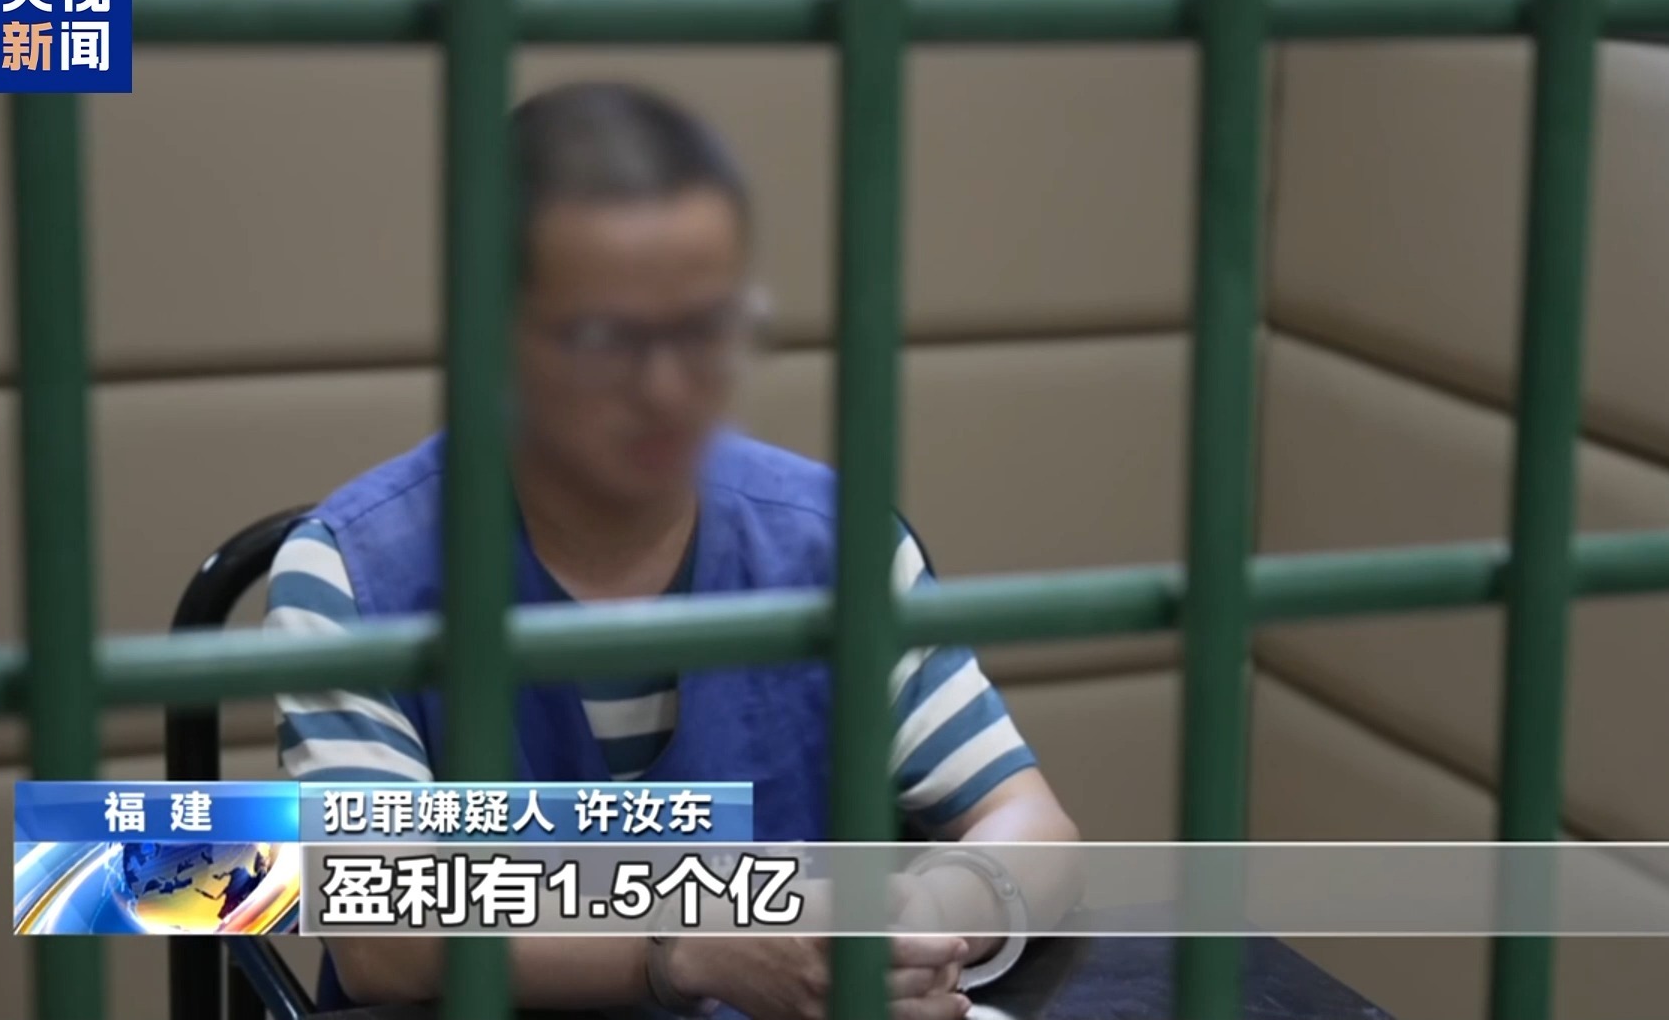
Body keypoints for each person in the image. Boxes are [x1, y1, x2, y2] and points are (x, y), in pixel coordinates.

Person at [266, 81, 1080, 1020]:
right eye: (602, 340)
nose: (665, 391)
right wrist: (687, 949)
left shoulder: (833, 544)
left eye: (707, 330)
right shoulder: (351, 577)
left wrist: (917, 922)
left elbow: (1032, 827)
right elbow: (380, 938)